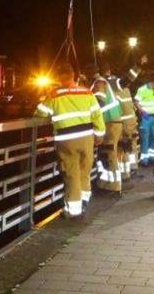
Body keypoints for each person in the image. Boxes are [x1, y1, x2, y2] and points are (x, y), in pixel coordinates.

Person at [35, 66, 104, 217]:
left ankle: (73, 210)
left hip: (67, 140)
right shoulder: (86, 92)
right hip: (87, 138)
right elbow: (97, 114)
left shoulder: (54, 95)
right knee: (85, 170)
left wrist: (42, 98)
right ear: (74, 77)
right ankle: (84, 201)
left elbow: (40, 112)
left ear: (59, 78)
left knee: (71, 173)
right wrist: (99, 134)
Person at [93, 75, 125, 192]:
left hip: (109, 123)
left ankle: (114, 187)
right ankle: (105, 184)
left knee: (109, 155)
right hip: (113, 122)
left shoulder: (99, 83)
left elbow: (98, 103)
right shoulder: (106, 84)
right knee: (107, 155)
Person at [134, 74, 154, 165]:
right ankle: (144, 159)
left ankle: (153, 156)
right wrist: (142, 111)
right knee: (145, 137)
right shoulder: (142, 89)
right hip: (146, 117)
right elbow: (136, 101)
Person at [114, 70, 139, 177]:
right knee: (131, 145)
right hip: (132, 122)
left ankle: (124, 173)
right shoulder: (127, 90)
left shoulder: (116, 93)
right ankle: (133, 167)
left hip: (124, 124)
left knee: (122, 148)